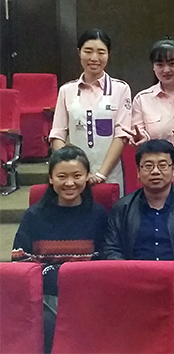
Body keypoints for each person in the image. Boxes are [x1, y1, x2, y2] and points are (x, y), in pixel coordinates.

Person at [103, 139, 174, 354]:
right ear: (138, 172)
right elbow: (111, 250)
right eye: (148, 166)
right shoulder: (122, 208)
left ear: (173, 170)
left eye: (163, 165)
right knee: (115, 320)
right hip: (134, 287)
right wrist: (131, 279)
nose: (156, 171)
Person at [12, 145, 107, 353]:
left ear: (87, 177)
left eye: (77, 176)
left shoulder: (98, 215)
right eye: (62, 176)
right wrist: (58, 277)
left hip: (87, 296)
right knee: (45, 324)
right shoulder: (34, 216)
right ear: (51, 179)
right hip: (45, 297)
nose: (69, 183)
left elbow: (105, 261)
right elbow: (20, 261)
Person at [49, 28, 132, 195]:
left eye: (101, 52)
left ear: (108, 55)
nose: (94, 58)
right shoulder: (67, 90)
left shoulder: (120, 89)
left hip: (110, 174)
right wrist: (70, 169)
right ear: (79, 53)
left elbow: (121, 135)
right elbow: (58, 134)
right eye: (88, 51)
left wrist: (101, 174)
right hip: (74, 179)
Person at [126, 39, 174, 180]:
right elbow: (139, 135)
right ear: (153, 67)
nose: (166, 70)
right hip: (156, 177)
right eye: (160, 65)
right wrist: (142, 140)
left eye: (172, 63)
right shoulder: (143, 99)